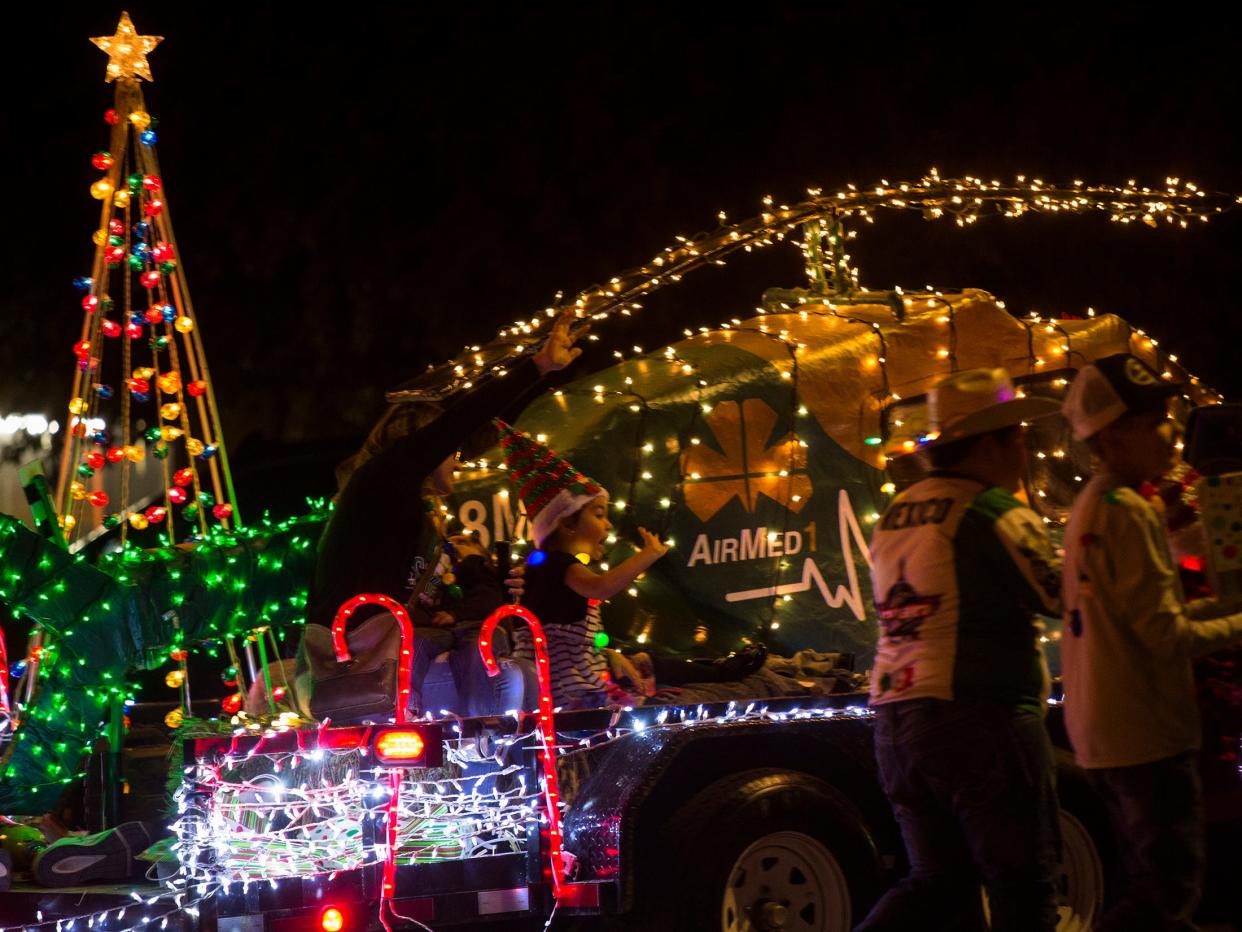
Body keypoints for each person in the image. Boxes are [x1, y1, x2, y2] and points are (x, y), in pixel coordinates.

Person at [855, 368, 1063, 932]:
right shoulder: (995, 511)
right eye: (1017, 435)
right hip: (981, 715)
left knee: (937, 885)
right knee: (1023, 884)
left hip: (896, 718)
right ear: (993, 442)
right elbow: (1064, 595)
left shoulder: (896, 514)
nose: (1024, 447)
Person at [302, 311, 584, 716]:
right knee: (485, 660)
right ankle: (484, 740)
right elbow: (457, 422)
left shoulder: (419, 518)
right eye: (452, 451)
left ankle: (489, 748)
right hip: (360, 659)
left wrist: (485, 579)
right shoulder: (380, 483)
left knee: (498, 656)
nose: (459, 458)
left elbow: (444, 599)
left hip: (396, 652)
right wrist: (536, 368)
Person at [1060, 353, 1242, 931]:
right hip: (1146, 735)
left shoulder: (1093, 504)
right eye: (1157, 420)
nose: (1172, 433)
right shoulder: (1130, 511)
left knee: (1154, 887)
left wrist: (1226, 605)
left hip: (1106, 732)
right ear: (1115, 436)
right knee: (1166, 894)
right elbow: (1166, 636)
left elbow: (1144, 615)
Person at [495, 422, 668, 709]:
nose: (608, 525)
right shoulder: (557, 565)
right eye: (599, 514)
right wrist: (648, 554)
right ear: (566, 524)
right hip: (570, 697)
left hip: (577, 689)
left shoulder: (542, 566)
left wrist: (609, 654)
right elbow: (602, 587)